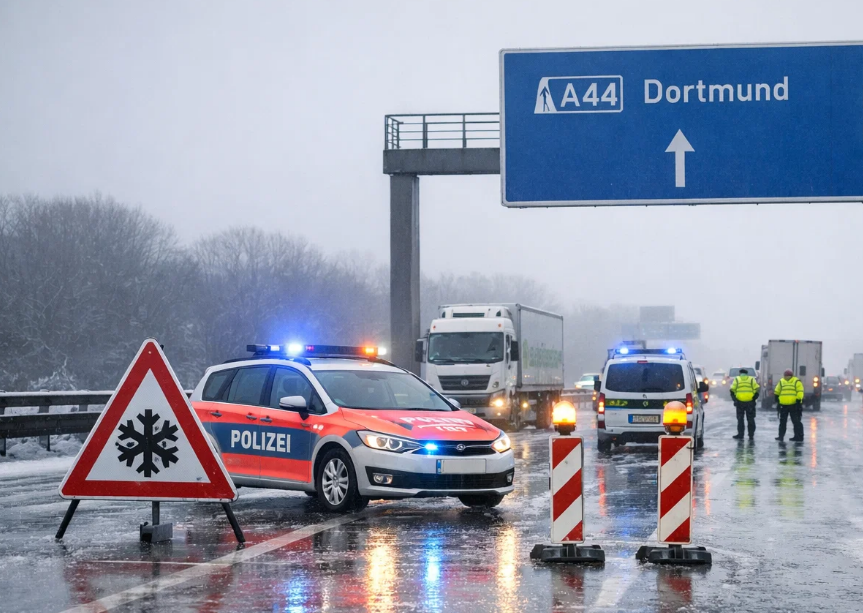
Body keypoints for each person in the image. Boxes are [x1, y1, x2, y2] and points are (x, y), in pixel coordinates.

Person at [774, 369, 804, 442]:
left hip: (790, 405)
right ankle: (797, 436)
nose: (786, 377)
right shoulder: (793, 381)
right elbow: (800, 391)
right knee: (794, 422)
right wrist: (798, 400)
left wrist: (776, 398)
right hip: (790, 405)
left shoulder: (788, 381)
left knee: (787, 422)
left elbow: (777, 391)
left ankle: (782, 436)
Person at [730, 368, 760, 440]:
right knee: (750, 419)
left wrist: (735, 400)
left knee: (740, 419)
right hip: (750, 402)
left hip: (739, 402)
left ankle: (740, 434)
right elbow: (757, 389)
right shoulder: (751, 379)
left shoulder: (737, 379)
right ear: (747, 374)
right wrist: (754, 398)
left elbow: (732, 390)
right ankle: (751, 435)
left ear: (740, 373)